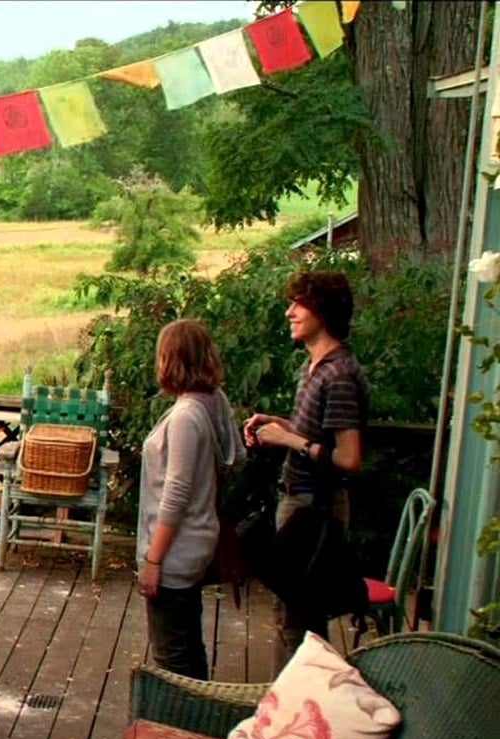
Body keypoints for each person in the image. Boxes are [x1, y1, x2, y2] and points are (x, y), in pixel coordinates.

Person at [243, 271, 368, 665]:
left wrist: (288, 440)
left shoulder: (339, 375)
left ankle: (298, 699)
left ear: (323, 311)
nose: (289, 312)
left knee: (299, 621)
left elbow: (348, 458)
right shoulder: (313, 367)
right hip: (296, 501)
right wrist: (277, 425)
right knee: (289, 614)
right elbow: (315, 436)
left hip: (316, 509)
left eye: (299, 304)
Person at [136, 319, 245, 680]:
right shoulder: (214, 401)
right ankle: (202, 705)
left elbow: (176, 494)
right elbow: (237, 458)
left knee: (172, 659)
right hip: (199, 541)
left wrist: (154, 560)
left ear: (170, 359)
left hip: (176, 551)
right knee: (189, 644)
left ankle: (186, 714)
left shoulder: (185, 417)